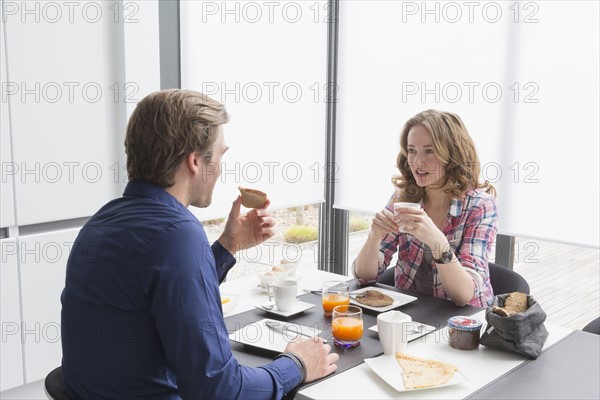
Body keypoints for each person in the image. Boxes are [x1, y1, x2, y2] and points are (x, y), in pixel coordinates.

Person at [60, 89, 338, 399]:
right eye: (220, 155)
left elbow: (158, 298)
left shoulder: (103, 221)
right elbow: (219, 390)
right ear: (194, 161)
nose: (220, 167)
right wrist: (296, 365)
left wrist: (228, 245)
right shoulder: (177, 234)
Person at [353, 110, 497, 307]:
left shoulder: (480, 206)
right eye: (412, 150)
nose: (417, 162)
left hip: (464, 323)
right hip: (410, 316)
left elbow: (463, 296)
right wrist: (374, 236)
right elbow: (364, 278)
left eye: (429, 151)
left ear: (452, 154)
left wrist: (436, 240)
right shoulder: (403, 197)